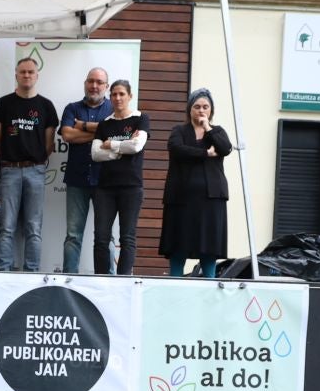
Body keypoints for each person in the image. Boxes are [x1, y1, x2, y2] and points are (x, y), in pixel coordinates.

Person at [0, 57, 58, 272]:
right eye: (22, 72)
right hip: (9, 169)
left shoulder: (46, 106)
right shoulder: (4, 103)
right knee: (7, 227)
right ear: (16, 75)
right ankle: (4, 270)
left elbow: (48, 145)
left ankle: (32, 272)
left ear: (37, 75)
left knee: (33, 227)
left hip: (36, 171)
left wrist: (34, 161)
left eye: (30, 72)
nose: (26, 75)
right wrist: (6, 162)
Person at [160, 88, 232, 278]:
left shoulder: (217, 132)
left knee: (209, 249)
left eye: (205, 107)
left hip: (211, 200)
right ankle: (175, 287)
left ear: (211, 110)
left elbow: (225, 148)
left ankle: (209, 288)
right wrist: (205, 153)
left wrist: (208, 128)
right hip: (181, 199)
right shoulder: (179, 131)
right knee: (178, 247)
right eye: (197, 106)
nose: (201, 110)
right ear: (189, 110)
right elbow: (177, 149)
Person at [85, 78, 149, 276]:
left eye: (122, 94)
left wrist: (111, 145)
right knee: (101, 238)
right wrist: (123, 149)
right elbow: (96, 154)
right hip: (105, 187)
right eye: (114, 94)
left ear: (130, 96)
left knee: (127, 237)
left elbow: (137, 146)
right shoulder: (105, 124)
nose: (117, 97)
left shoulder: (141, 119)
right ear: (109, 97)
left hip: (131, 187)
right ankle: (102, 279)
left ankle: (123, 280)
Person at [57, 68, 112, 274]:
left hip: (105, 182)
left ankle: (109, 279)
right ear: (85, 83)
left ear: (106, 86)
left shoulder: (113, 109)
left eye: (99, 82)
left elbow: (115, 134)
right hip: (76, 179)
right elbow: (68, 135)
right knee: (73, 234)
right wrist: (100, 133)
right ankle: (69, 279)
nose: (94, 86)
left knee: (106, 236)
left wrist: (84, 127)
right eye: (91, 81)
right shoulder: (72, 108)